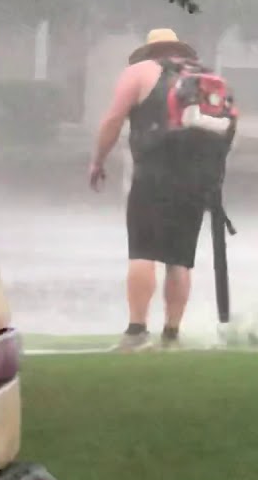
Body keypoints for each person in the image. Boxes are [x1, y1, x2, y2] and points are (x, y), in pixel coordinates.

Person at [88, 28, 231, 352]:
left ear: (149, 51)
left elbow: (113, 119)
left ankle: (137, 331)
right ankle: (171, 335)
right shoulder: (206, 77)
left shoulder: (139, 72)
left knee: (143, 252)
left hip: (154, 173)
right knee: (179, 259)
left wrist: (98, 160)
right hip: (197, 177)